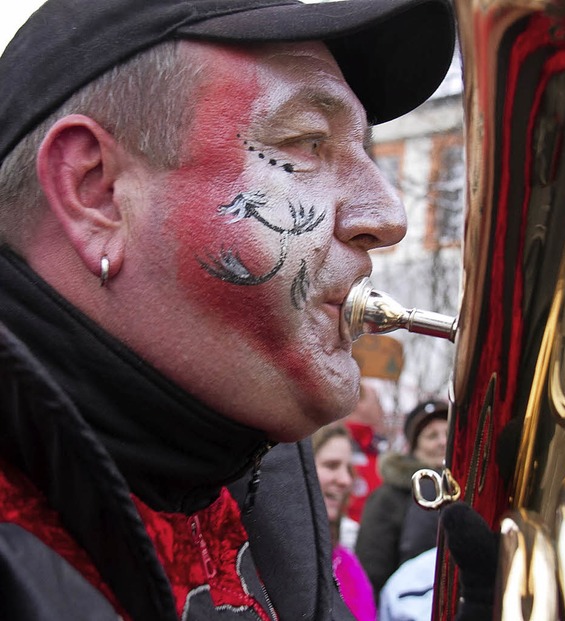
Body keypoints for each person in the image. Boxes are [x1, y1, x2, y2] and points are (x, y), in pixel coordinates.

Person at [0, 0, 456, 619]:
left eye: (364, 151)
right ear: (97, 191)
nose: (388, 217)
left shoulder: (265, 488)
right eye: (305, 144)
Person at [355, 398, 449, 599]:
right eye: (432, 436)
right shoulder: (387, 497)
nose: (443, 442)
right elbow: (372, 568)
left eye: (448, 434)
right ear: (414, 448)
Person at [312, 424, 376, 621]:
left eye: (348, 469)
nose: (346, 480)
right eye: (331, 465)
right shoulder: (270, 557)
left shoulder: (348, 564)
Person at [344, 380, 388, 524]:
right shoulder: (341, 443)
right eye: (377, 401)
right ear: (359, 404)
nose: (381, 409)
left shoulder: (376, 446)